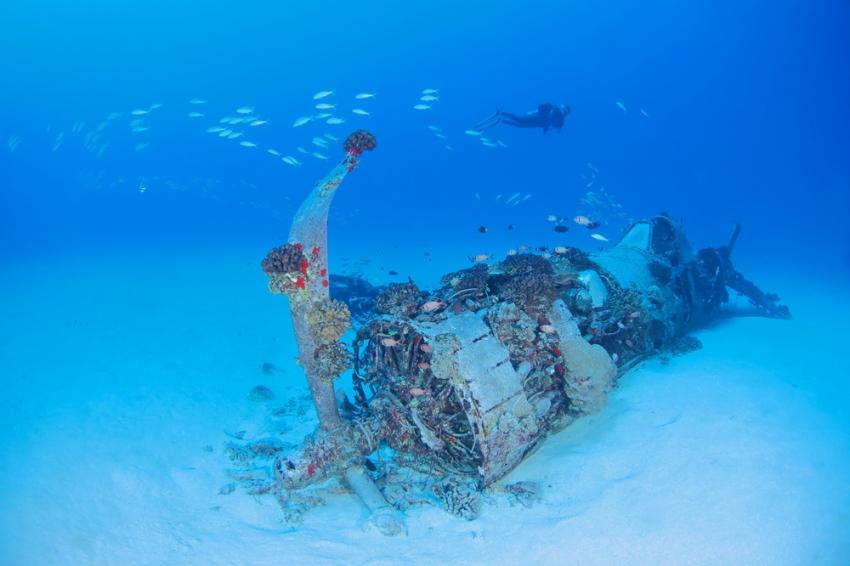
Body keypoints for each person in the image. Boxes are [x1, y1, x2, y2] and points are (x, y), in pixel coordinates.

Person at [475, 103, 570, 133]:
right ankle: (500, 118)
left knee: (518, 120)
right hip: (537, 123)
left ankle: (500, 115)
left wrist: (532, 112)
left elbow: (541, 108)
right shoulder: (561, 121)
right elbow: (557, 130)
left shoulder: (555, 108)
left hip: (536, 118)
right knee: (519, 124)